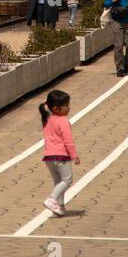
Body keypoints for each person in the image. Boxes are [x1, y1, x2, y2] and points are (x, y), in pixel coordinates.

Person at [39, 89, 79, 217]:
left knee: (58, 182)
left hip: (49, 157)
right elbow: (68, 141)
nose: (69, 107)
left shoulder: (48, 119)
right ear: (56, 108)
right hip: (61, 156)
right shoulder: (63, 121)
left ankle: (60, 207)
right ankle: (52, 199)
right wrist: (74, 156)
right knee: (67, 181)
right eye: (66, 105)